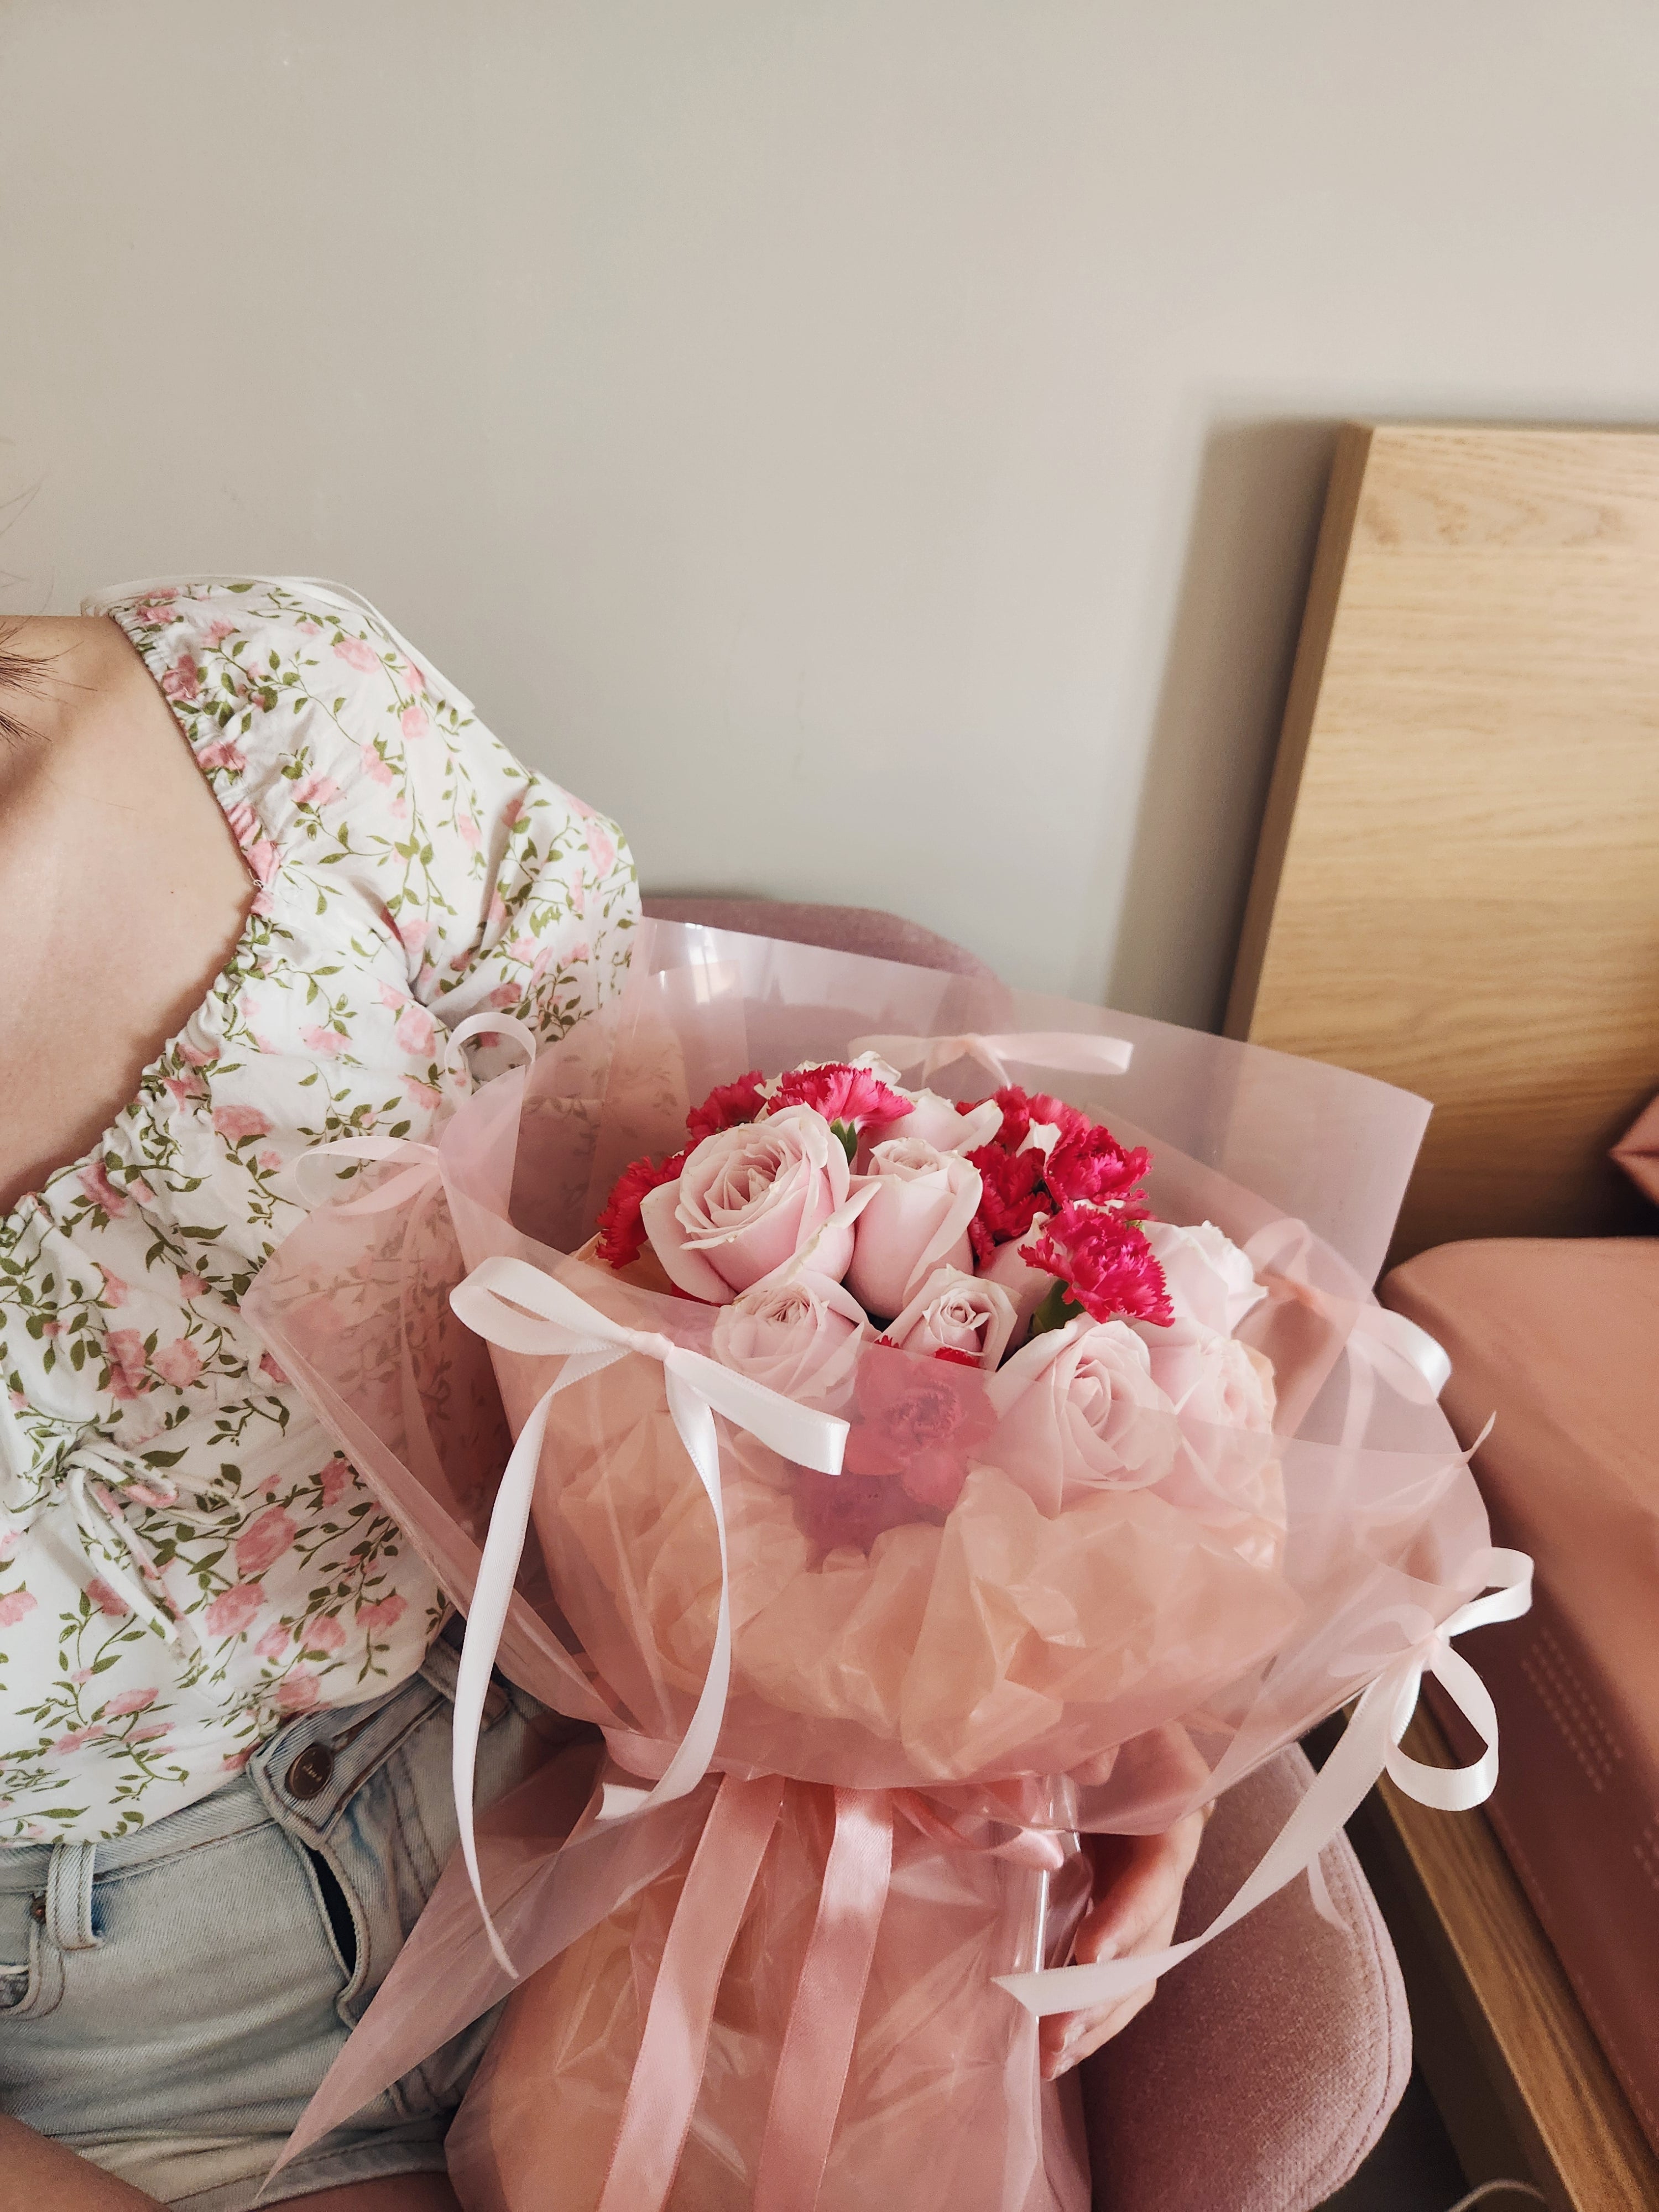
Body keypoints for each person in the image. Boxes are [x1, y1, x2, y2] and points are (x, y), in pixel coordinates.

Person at [0, 578, 1202, 2212]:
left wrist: (1097, 1721)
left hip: (615, 1756)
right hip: (138, 2049)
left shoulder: (277, 717)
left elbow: (670, 1280)